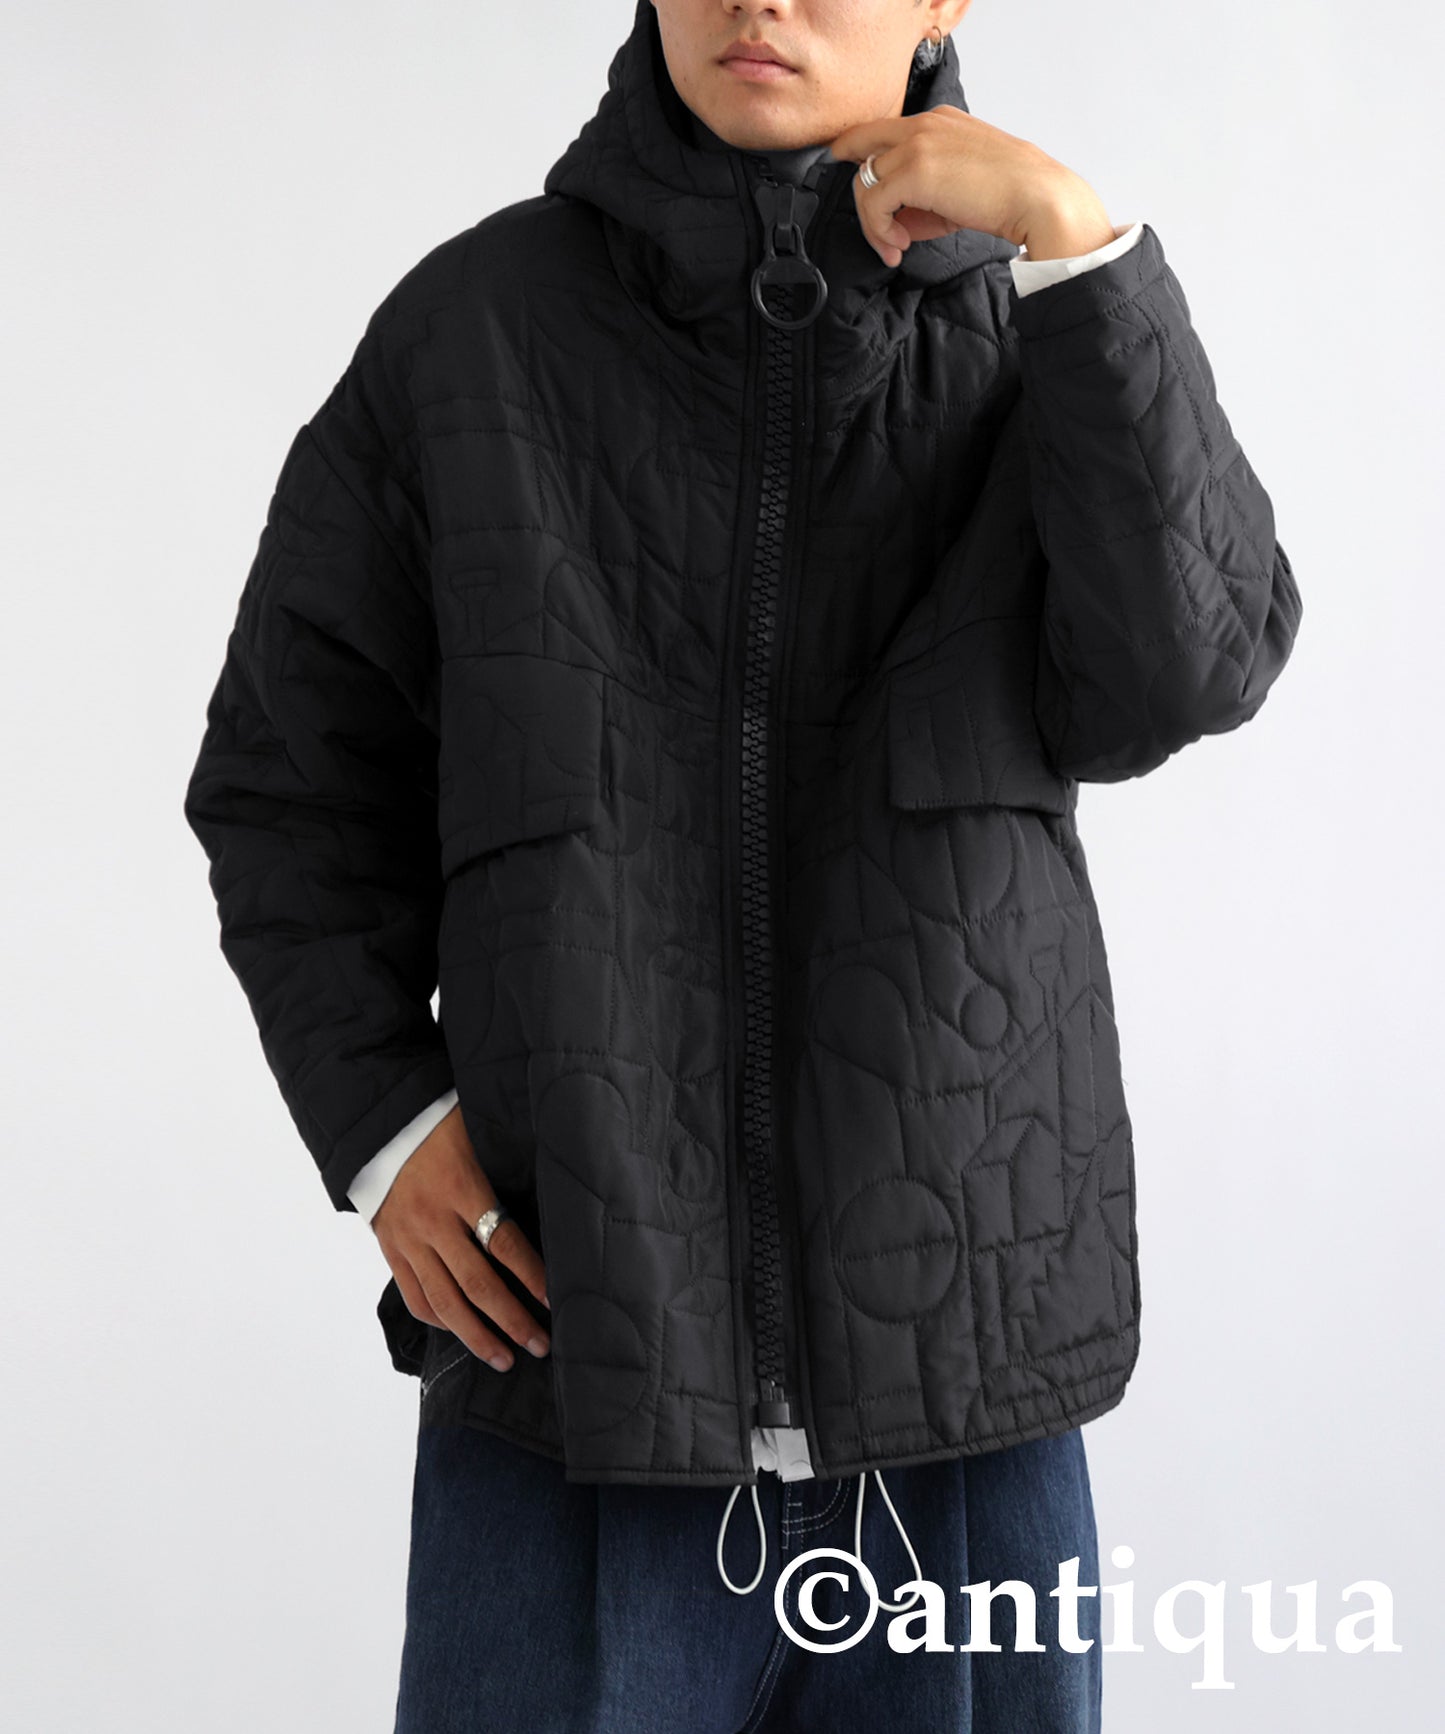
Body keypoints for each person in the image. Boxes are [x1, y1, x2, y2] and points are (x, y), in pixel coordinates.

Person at [183, 1, 1303, 1728]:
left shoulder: (1034, 333)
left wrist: (1080, 249)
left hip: (964, 1408)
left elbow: (1189, 669)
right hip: (569, 1388)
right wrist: (386, 1124)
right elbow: (285, 776)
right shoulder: (470, 334)